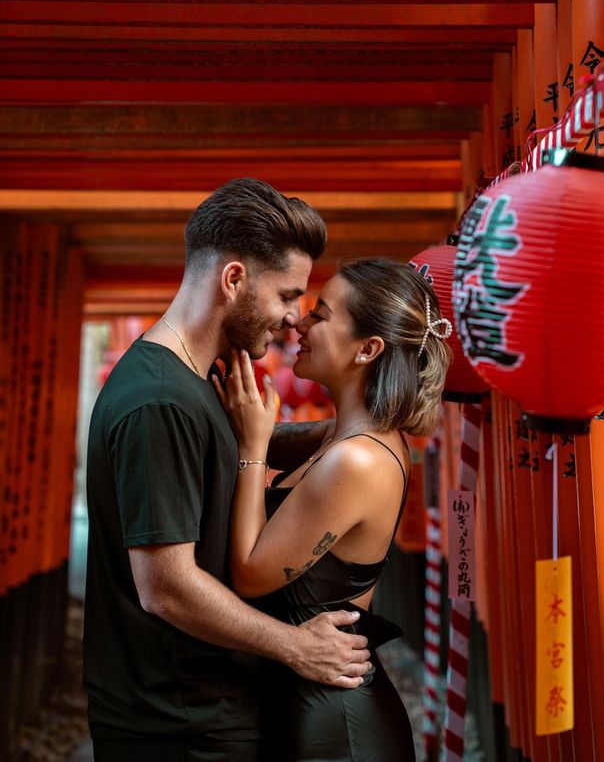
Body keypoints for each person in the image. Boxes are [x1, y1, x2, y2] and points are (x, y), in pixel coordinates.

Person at [83, 178, 371, 762]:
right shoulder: (158, 403)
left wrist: (358, 426)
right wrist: (297, 647)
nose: (295, 320)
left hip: (200, 712)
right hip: (178, 726)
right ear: (233, 279)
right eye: (287, 296)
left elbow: (222, 452)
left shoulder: (193, 378)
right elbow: (166, 588)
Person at [215, 257, 453, 761]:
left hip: (335, 727)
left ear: (367, 349)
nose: (298, 323)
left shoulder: (359, 459)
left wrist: (253, 447)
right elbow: (270, 437)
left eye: (320, 316)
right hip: (311, 698)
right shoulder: (350, 436)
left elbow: (251, 573)